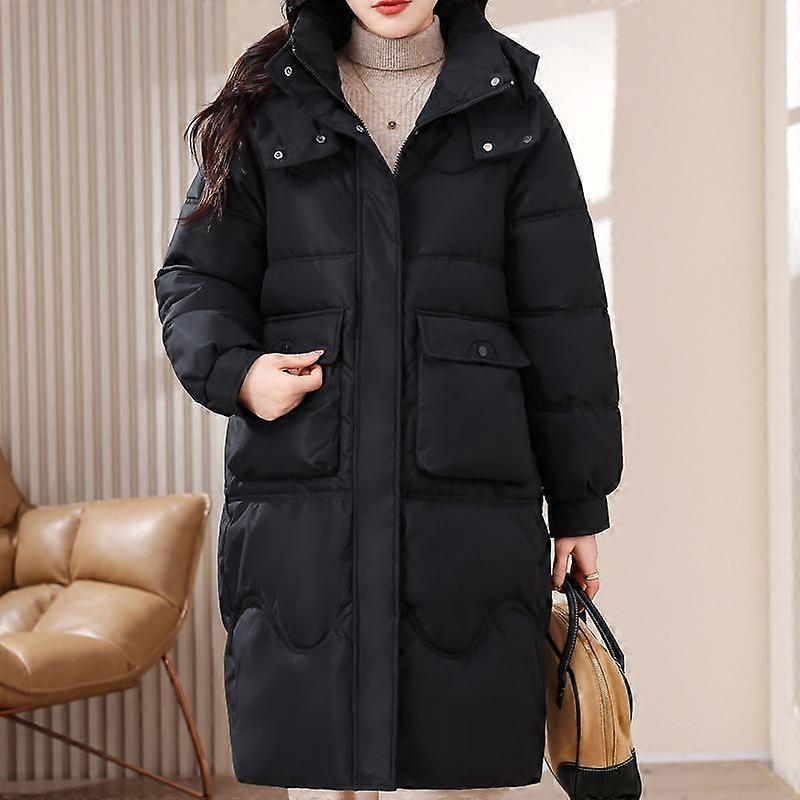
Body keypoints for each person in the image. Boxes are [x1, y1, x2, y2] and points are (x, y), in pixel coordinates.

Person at [154, 0, 623, 796]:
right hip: (307, 505)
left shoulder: (511, 109)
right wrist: (238, 372)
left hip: (466, 511)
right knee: (322, 767)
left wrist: (580, 501)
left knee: (458, 768)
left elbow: (564, 315)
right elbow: (196, 277)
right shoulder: (271, 101)